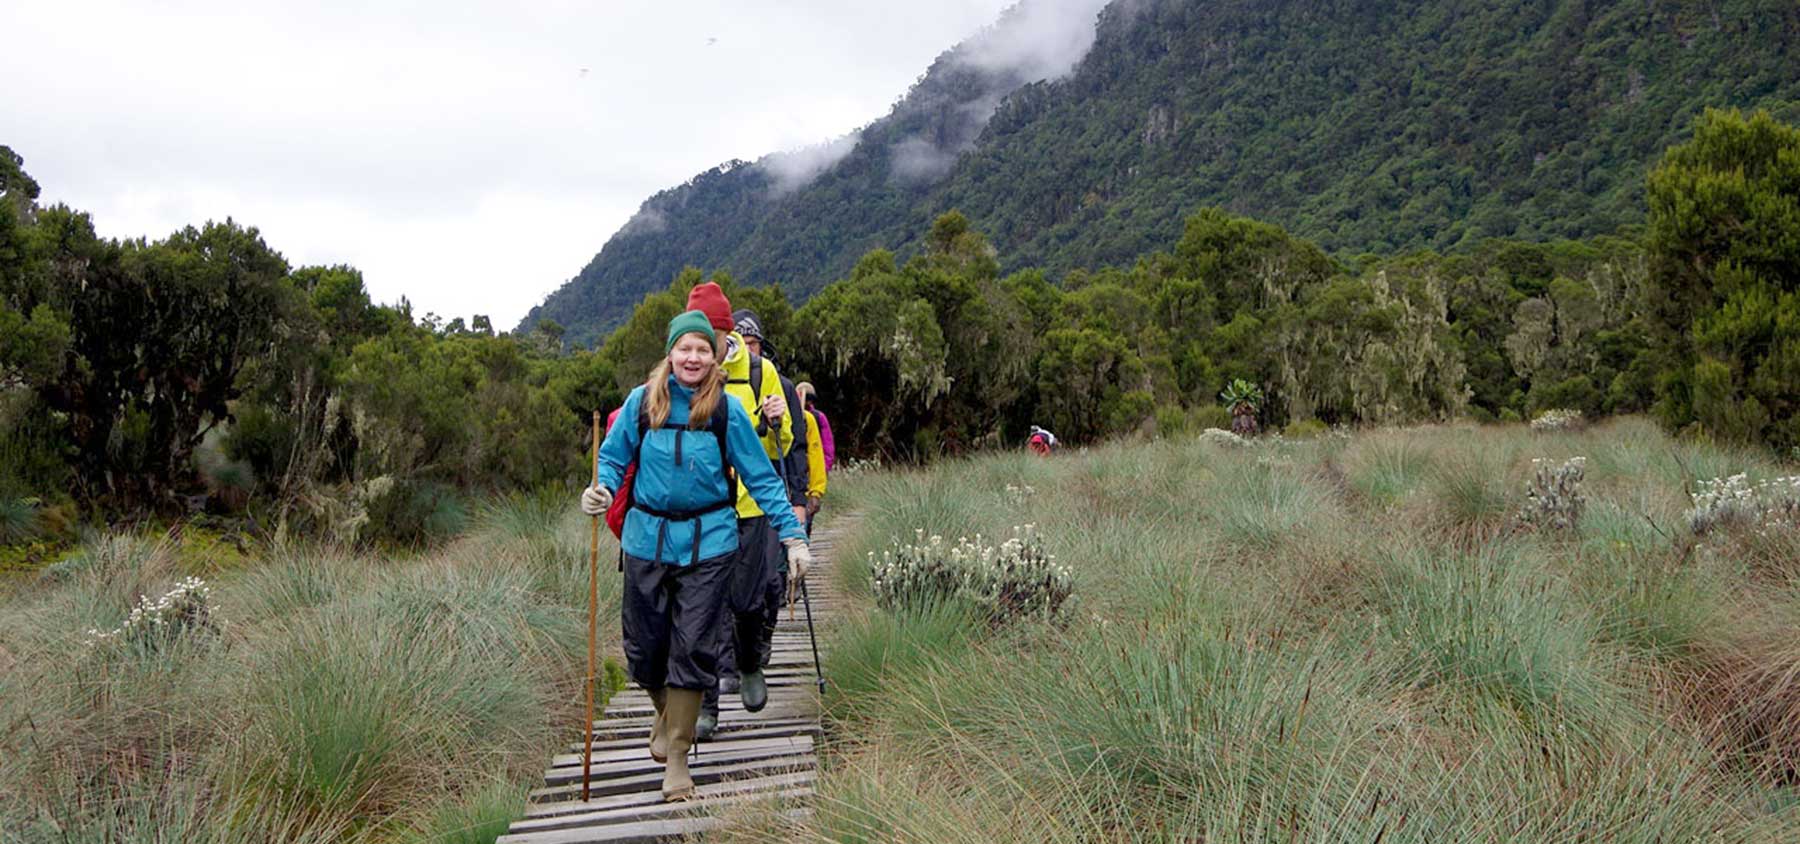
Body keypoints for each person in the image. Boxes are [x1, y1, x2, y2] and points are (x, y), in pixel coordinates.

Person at [578, 309, 810, 802]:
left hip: (711, 543)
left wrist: (793, 537)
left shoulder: (724, 410)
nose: (693, 357)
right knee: (643, 650)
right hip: (646, 541)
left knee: (694, 645)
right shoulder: (642, 403)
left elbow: (762, 478)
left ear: (715, 355)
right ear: (671, 352)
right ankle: (665, 713)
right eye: (685, 348)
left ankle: (678, 757)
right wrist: (597, 491)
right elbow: (614, 458)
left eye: (703, 349)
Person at [686, 287, 796, 740]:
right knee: (705, 610)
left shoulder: (758, 371)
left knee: (748, 602)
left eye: (710, 333)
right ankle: (706, 706)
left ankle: (750, 663)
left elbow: (782, 445)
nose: (702, 344)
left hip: (750, 506)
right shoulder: (687, 373)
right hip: (703, 507)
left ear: (725, 330)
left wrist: (776, 418)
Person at [795, 382, 829, 535]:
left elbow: (824, 448)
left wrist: (817, 489)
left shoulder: (813, 419)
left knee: (804, 526)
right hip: (795, 481)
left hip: (808, 478)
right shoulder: (786, 416)